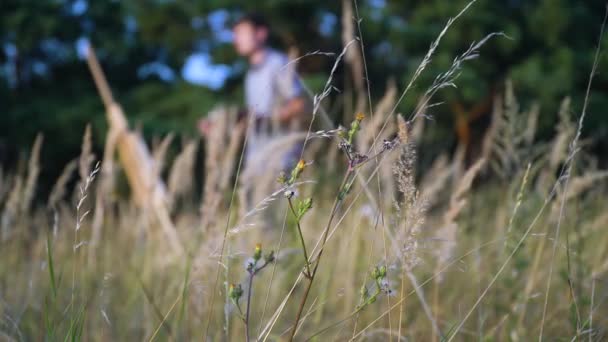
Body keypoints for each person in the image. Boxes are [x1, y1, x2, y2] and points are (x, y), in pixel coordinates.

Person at [199, 13, 309, 173]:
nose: (236, 40)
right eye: (235, 35)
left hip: (280, 160)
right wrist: (224, 123)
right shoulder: (251, 73)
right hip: (257, 161)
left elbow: (299, 105)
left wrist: (266, 119)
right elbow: (255, 115)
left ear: (261, 33)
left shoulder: (277, 62)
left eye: (241, 33)